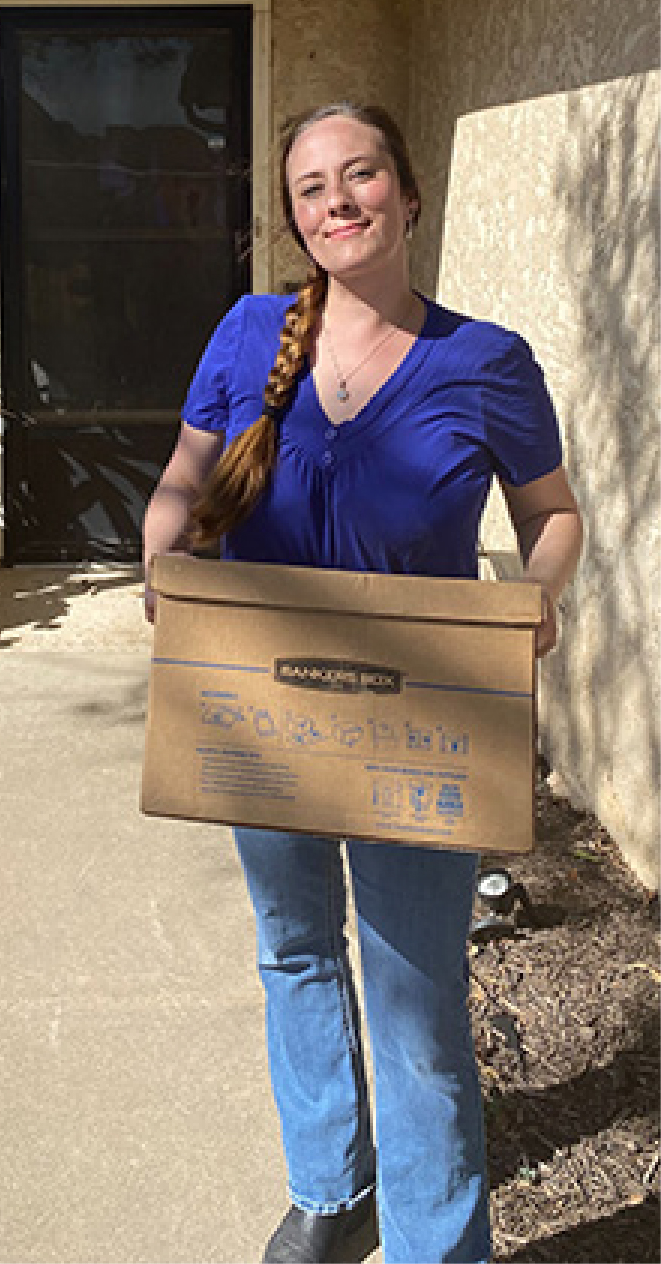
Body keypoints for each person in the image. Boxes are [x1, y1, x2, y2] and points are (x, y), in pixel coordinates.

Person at [142, 102, 583, 1264]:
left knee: (416, 998)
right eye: (311, 187)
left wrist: (537, 593)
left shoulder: (486, 363)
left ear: (407, 192)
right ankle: (333, 1193)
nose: (338, 199)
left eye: (361, 174)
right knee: (293, 948)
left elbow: (552, 514)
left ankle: (437, 1242)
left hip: (420, 719)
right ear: (296, 219)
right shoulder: (250, 333)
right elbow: (185, 473)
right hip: (264, 700)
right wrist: (162, 549)